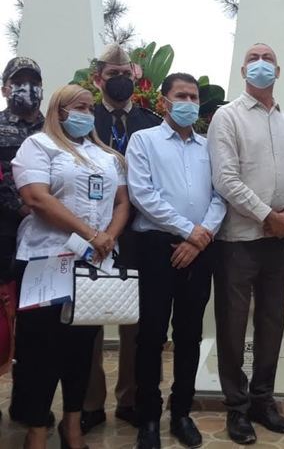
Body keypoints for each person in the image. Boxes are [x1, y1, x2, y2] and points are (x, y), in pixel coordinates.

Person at [11, 84, 130, 449]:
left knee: (81, 350)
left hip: (92, 265)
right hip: (45, 260)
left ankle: (73, 425)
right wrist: (92, 233)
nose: (85, 112)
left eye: (89, 106)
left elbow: (123, 201)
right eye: (77, 106)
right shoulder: (39, 146)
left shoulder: (107, 155)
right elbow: (35, 197)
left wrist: (108, 236)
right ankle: (36, 429)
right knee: (38, 351)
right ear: (58, 110)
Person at [208, 43, 284, 445]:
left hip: (277, 239)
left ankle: (263, 399)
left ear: (278, 71)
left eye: (268, 60)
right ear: (243, 69)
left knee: (271, 321)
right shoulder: (226, 117)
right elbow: (225, 179)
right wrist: (268, 215)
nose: (261, 64)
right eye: (253, 59)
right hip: (238, 240)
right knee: (232, 324)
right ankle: (237, 407)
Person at [126, 73, 226, 449]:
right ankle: (148, 417)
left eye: (193, 96)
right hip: (155, 247)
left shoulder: (207, 147)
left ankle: (181, 412)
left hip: (200, 249)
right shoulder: (144, 140)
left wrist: (200, 238)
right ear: (164, 101)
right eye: (180, 96)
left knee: (190, 334)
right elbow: (142, 194)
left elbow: (221, 194)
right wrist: (188, 230)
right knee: (151, 335)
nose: (188, 102)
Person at [81, 43, 161, 433]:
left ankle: (129, 398)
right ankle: (91, 402)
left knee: (137, 323)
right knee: (89, 318)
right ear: (98, 80)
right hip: (93, 234)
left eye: (125, 74)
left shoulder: (149, 122)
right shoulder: (84, 119)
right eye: (112, 75)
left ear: (135, 76)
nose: (120, 81)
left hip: (140, 234)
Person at [0, 57, 54, 427]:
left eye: (33, 81)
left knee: (35, 328)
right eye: (18, 81)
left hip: (43, 241)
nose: (27, 88)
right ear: (5, 87)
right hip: (4, 236)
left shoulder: (54, 130)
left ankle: (27, 403)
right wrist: (21, 207)